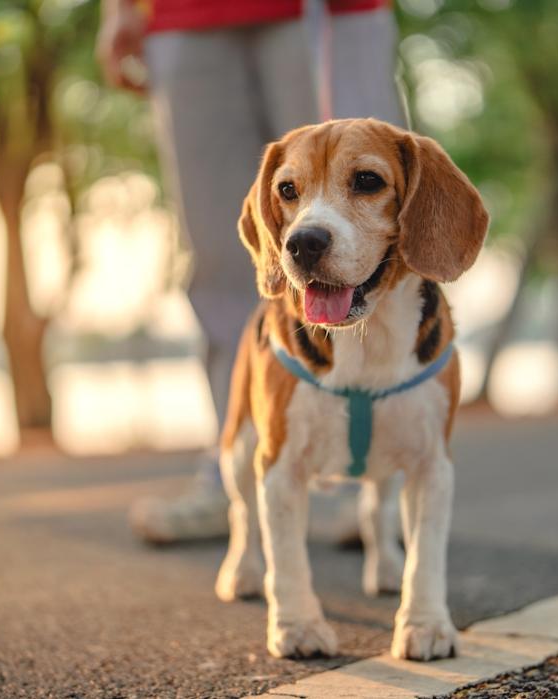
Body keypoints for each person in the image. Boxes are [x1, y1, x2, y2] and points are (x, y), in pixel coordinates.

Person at [96, 0, 405, 543]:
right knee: (221, 256)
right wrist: (119, 8)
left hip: (327, 13)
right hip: (182, 17)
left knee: (361, 234)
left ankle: (370, 483)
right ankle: (237, 476)